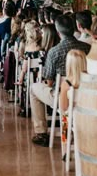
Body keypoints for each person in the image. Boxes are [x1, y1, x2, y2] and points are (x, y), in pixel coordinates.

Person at [30, 15, 91, 147]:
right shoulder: (87, 48)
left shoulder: (54, 52)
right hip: (86, 96)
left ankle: (41, 132)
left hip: (62, 98)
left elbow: (49, 82)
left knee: (34, 88)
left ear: (58, 32)